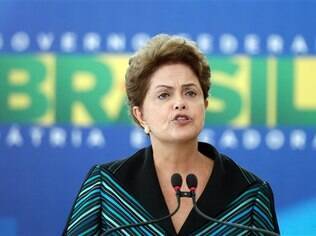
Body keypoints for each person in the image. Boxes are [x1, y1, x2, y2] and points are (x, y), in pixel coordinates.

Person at [63, 34, 280, 235]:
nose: (179, 103)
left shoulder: (248, 193)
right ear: (141, 115)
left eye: (190, 92)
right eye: (164, 95)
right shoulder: (107, 185)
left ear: (204, 105)